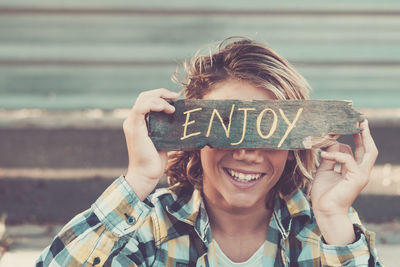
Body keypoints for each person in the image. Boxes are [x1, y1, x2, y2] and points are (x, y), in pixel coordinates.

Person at [36, 37, 382, 266]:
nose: (248, 153)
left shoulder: (323, 227)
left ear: (292, 145)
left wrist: (335, 216)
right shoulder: (149, 228)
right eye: (227, 129)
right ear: (192, 134)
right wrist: (139, 179)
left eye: (268, 131)